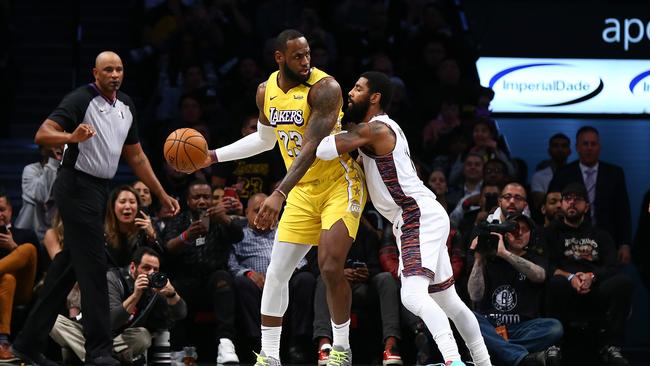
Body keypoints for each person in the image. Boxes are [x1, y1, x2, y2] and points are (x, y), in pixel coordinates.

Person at [196, 29, 366, 366]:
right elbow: (263, 140)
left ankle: (342, 349)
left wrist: (277, 193)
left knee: (330, 266)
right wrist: (213, 156)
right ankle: (270, 356)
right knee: (277, 273)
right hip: (301, 191)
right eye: (298, 56)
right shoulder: (265, 91)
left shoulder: (325, 88)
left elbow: (312, 147)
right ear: (279, 58)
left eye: (308, 55)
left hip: (338, 184)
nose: (306, 61)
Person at [11, 51, 179, 366]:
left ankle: (27, 343)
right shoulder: (80, 99)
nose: (114, 75)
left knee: (66, 269)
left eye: (119, 69)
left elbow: (138, 157)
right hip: (75, 186)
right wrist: (70, 136)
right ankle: (99, 350)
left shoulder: (126, 106)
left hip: (98, 189)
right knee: (93, 268)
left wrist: (162, 193)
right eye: (108, 70)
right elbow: (42, 133)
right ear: (96, 73)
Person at [316, 71, 490, 366]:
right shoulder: (380, 129)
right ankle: (483, 361)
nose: (350, 93)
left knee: (411, 296)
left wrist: (327, 117)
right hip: (422, 215)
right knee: (447, 300)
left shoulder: (375, 130)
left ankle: (452, 360)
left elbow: (323, 150)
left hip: (415, 215)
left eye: (357, 89)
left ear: (375, 98)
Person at [544, 183, 632, 366]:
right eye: (568, 199)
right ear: (562, 204)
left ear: (587, 206)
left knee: (623, 281)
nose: (572, 203)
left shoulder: (601, 234)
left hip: (595, 288)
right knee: (555, 282)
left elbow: (612, 266)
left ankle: (611, 346)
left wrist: (591, 277)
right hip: (565, 288)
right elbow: (547, 263)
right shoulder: (551, 233)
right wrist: (571, 277)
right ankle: (554, 345)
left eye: (578, 199)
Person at [50, 247, 187, 363]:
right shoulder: (113, 279)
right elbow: (111, 322)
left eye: (155, 269)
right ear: (133, 267)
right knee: (53, 322)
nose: (151, 273)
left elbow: (180, 314)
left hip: (119, 338)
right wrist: (135, 295)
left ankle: (99, 358)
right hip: (90, 334)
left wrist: (172, 294)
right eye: (146, 268)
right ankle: (106, 358)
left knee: (143, 336)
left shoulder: (154, 289)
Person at [163, 180, 243, 364]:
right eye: (196, 197)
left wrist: (224, 218)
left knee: (222, 278)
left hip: (213, 281)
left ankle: (226, 344)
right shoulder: (180, 220)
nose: (201, 201)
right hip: (186, 280)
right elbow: (168, 248)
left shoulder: (219, 220)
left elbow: (238, 235)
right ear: (188, 200)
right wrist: (186, 236)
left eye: (206, 197)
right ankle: (178, 349)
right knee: (172, 288)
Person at [228, 193, 316, 364]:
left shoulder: (285, 232)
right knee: (241, 282)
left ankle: (297, 344)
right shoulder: (239, 234)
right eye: (257, 211)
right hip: (254, 284)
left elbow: (302, 261)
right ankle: (256, 345)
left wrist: (281, 276)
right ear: (246, 213)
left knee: (305, 279)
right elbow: (232, 265)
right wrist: (248, 273)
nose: (263, 215)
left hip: (286, 282)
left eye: (267, 211)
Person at [468, 214, 563, 366]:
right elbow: (475, 296)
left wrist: (505, 254)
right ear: (504, 234)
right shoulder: (489, 259)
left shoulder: (536, 258)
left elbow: (539, 276)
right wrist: (479, 259)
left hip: (523, 327)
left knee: (554, 327)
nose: (519, 233)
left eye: (524, 230)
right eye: (514, 229)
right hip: (491, 325)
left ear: (531, 234)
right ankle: (520, 357)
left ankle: (500, 350)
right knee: (468, 317)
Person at [548, 126, 632, 264]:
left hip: (608, 240)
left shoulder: (614, 173)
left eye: (593, 144)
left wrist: (625, 244)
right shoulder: (563, 173)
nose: (589, 148)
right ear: (577, 147)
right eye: (585, 144)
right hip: (571, 241)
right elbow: (555, 204)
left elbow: (623, 211)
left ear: (599, 147)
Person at [0, 194, 39, 362]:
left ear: (10, 210)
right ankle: (2, 342)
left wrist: (14, 246)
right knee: (8, 279)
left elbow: (39, 268)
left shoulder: (25, 233)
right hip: (3, 289)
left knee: (28, 249)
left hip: (23, 290)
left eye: (1, 210)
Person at [104, 186, 163, 268]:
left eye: (132, 202)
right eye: (122, 202)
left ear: (138, 207)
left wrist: (152, 237)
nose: (127, 206)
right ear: (113, 206)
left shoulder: (146, 231)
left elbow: (163, 263)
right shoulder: (102, 234)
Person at [14, 145, 62, 243]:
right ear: (43, 150)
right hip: (31, 234)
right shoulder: (30, 170)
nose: (58, 148)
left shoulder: (67, 172)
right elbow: (42, 195)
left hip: (58, 234)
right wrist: (53, 161)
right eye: (54, 144)